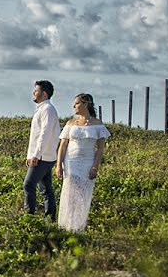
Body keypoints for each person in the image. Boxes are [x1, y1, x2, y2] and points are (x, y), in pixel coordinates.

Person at [55, 93, 110, 232]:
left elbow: (100, 148)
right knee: (69, 194)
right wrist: (58, 165)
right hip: (71, 162)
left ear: (86, 104)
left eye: (77, 103)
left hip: (87, 161)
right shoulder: (70, 123)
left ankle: (79, 227)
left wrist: (95, 167)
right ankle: (66, 227)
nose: (74, 106)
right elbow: (63, 145)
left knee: (83, 194)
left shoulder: (97, 124)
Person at [24, 80, 60, 219]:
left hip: (43, 156)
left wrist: (36, 155)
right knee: (45, 188)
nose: (34, 92)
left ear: (44, 93)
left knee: (28, 184)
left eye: (36, 90)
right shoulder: (43, 109)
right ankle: (50, 218)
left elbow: (44, 134)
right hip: (42, 155)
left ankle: (29, 218)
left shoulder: (47, 110)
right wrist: (31, 154)